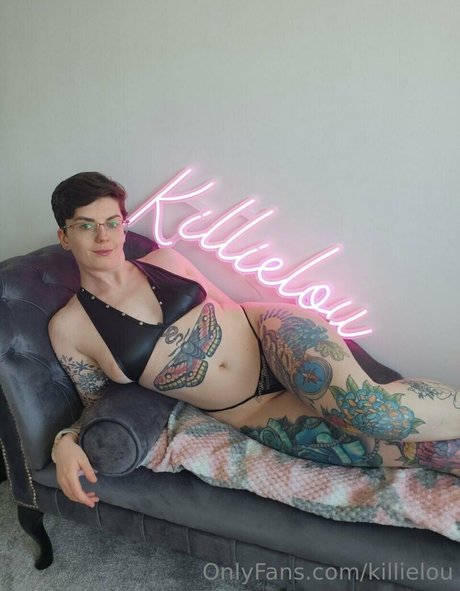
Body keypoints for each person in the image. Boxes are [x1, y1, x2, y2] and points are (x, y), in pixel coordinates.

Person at [49, 172, 460, 509]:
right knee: (394, 450)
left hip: (270, 334)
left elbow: (228, 306)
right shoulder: (69, 328)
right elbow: (97, 401)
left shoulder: (165, 260)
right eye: (86, 225)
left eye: (112, 222)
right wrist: (66, 441)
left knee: (372, 413)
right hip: (252, 408)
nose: (104, 236)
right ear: (65, 236)